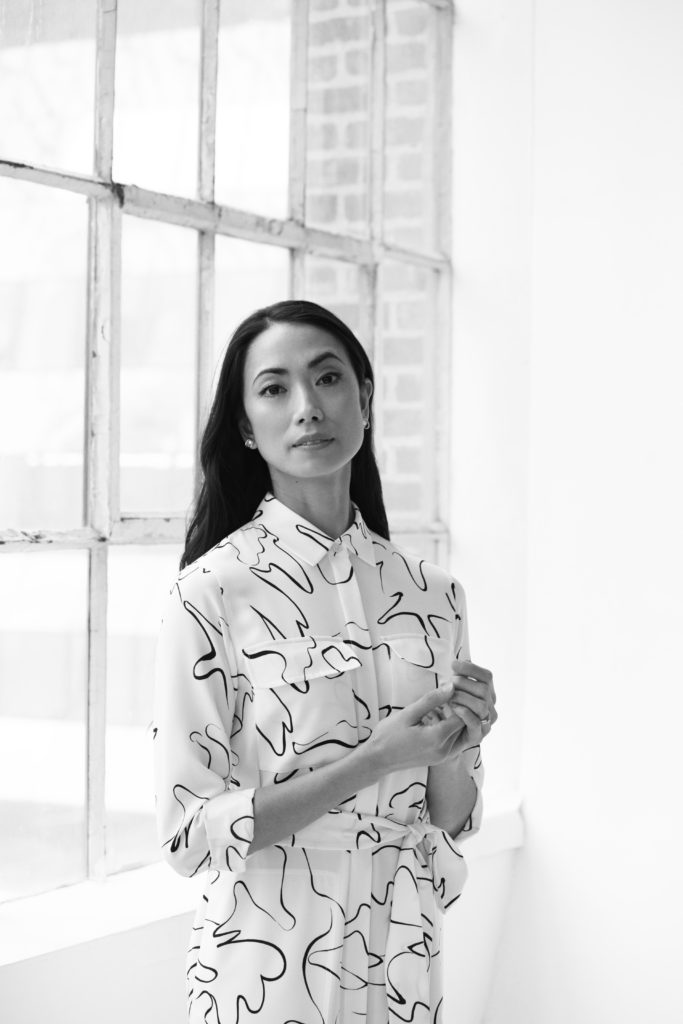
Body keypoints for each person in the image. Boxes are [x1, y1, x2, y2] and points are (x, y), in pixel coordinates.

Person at [152, 299, 497, 1024]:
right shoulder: (210, 593)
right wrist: (370, 761)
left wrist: (460, 743)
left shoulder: (433, 595)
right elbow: (188, 835)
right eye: (275, 388)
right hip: (268, 957)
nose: (308, 407)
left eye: (329, 378)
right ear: (246, 426)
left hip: (403, 950)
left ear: (364, 398)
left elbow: (450, 814)